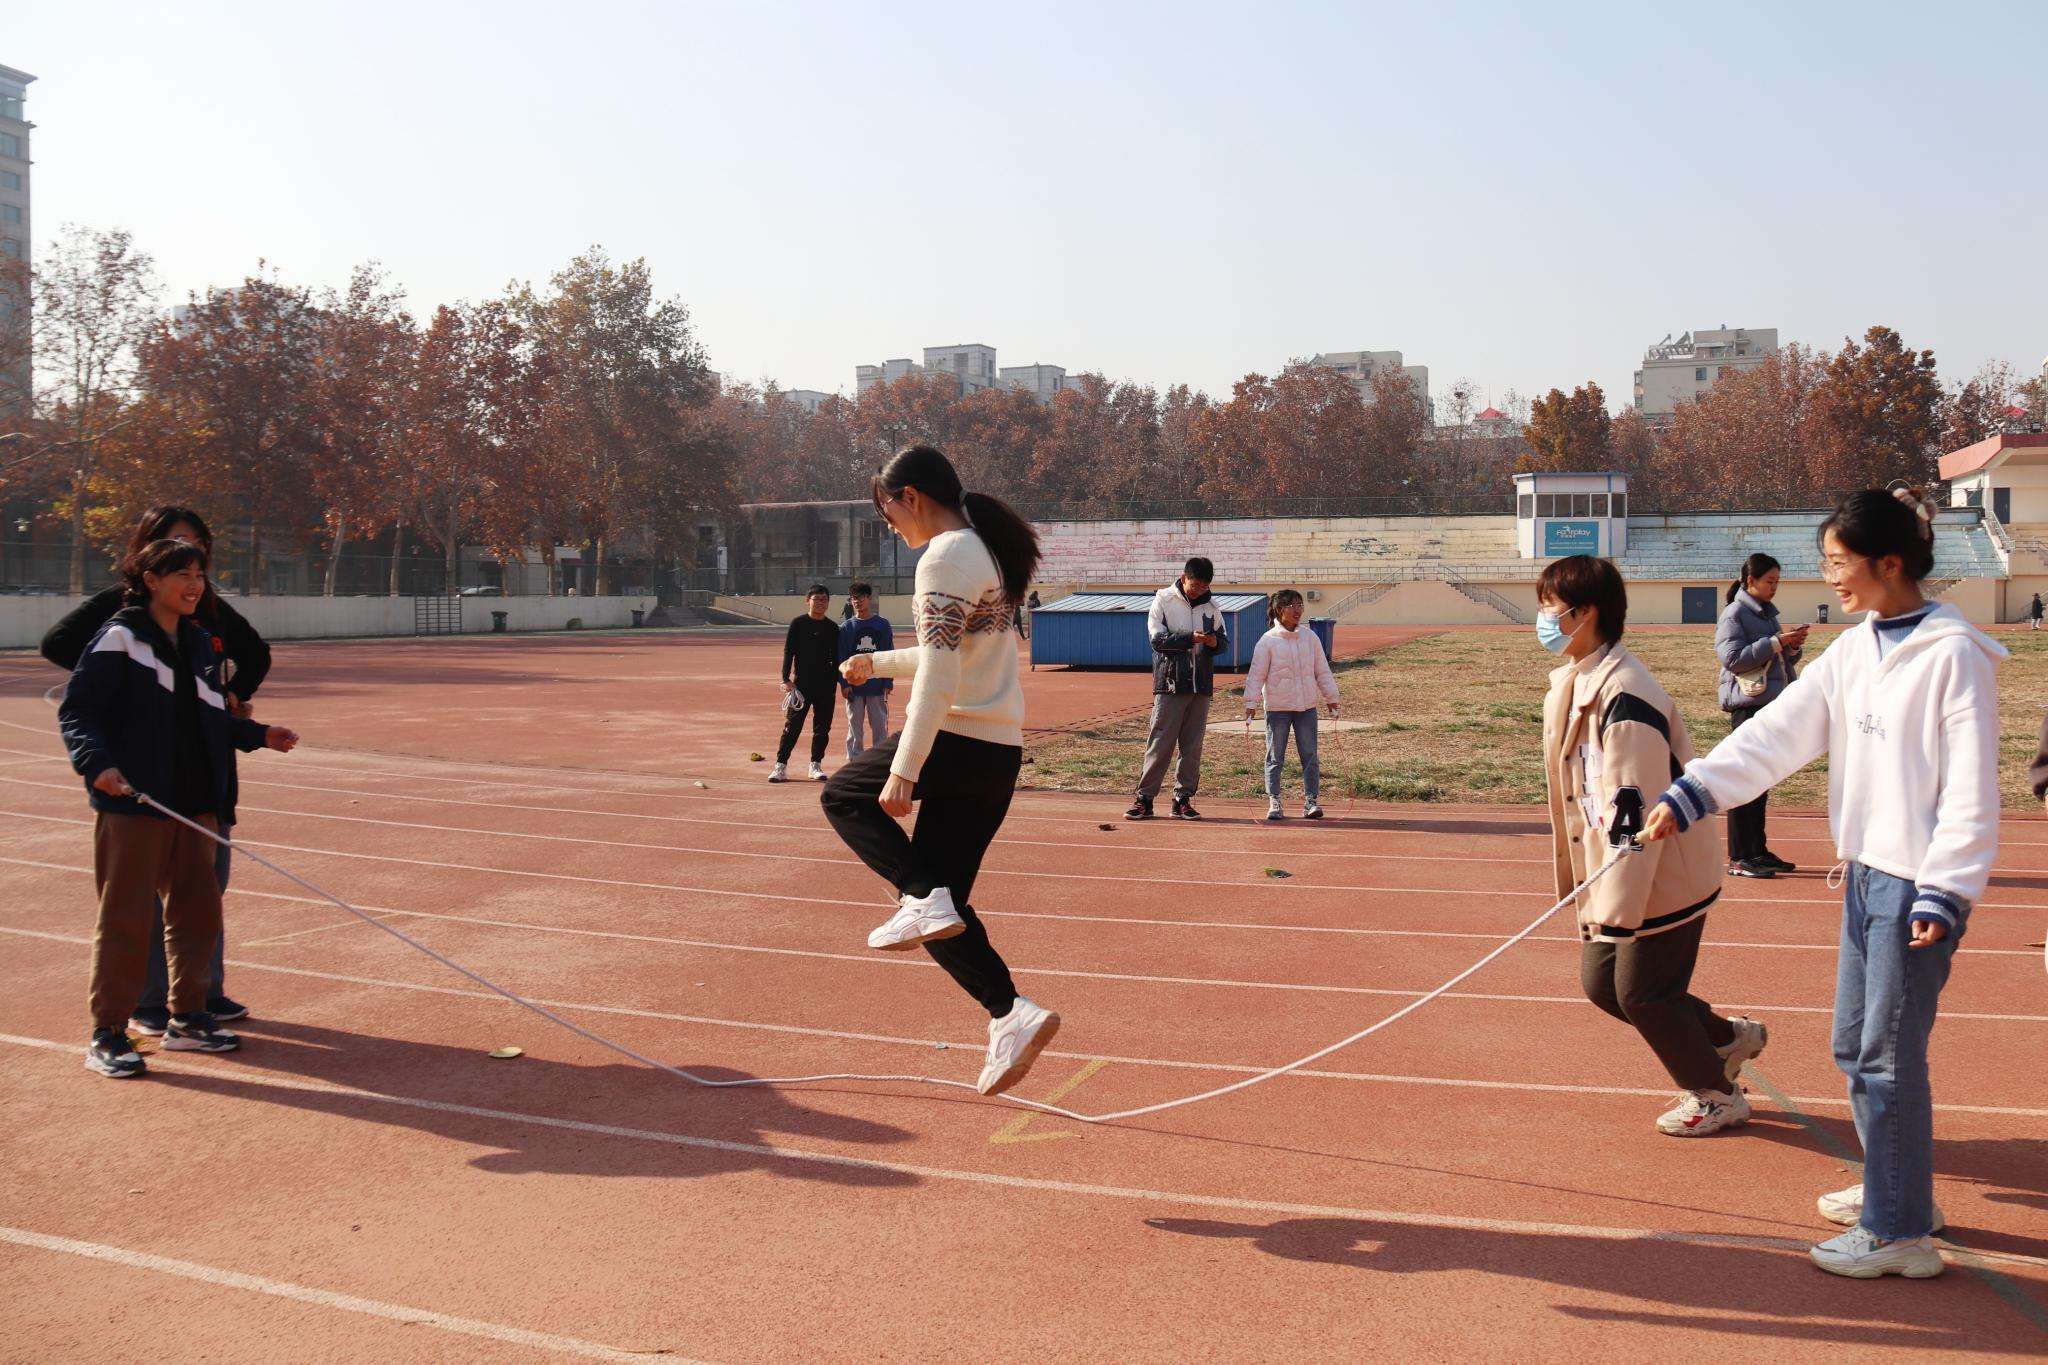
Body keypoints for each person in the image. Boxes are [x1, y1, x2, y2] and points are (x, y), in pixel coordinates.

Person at [1644, 488, 2002, 1280]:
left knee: (1886, 1053)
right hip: (1866, 872)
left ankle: (1899, 1228)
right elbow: (1778, 731)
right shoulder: (1859, 648)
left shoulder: (1953, 653)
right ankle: (1898, 1187)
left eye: (1840, 564)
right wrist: (1691, 793)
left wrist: (1946, 890)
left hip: (1917, 887)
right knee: (1854, 1041)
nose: (1830, 579)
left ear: (1891, 563)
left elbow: (1974, 790)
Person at [821, 444, 1059, 1097]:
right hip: (997, 753)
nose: (893, 529)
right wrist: (879, 665)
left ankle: (918, 896)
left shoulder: (943, 556)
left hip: (958, 741)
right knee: (945, 913)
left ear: (913, 498)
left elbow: (945, 674)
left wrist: (904, 767)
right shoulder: (979, 550)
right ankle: (1011, 1011)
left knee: (844, 795)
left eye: (890, 515)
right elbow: (947, 651)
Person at [1535, 555, 1766, 1139]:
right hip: (1616, 873)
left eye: (1548, 605)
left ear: (1583, 613)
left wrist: (1618, 908)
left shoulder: (1627, 696)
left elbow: (1632, 817)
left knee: (1640, 993)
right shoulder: (1579, 678)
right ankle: (1724, 1037)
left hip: (1659, 875)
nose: (1540, 617)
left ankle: (1717, 1092)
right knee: (1602, 985)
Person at [58, 539, 299, 1078]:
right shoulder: (121, 639)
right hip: (137, 804)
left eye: (198, 574)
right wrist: (96, 764)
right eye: (179, 575)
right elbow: (78, 712)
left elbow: (211, 718)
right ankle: (108, 1033)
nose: (193, 585)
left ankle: (188, 1018)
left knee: (198, 914)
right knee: (126, 917)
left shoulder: (199, 644)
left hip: (198, 804)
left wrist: (259, 734)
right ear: (150, 579)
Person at [1715, 553, 1807, 879]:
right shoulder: (1734, 614)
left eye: (1777, 582)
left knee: (1761, 781)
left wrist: (1791, 647)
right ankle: (1740, 856)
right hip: (1747, 707)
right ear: (1750, 581)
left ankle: (1757, 850)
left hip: (1769, 706)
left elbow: (1777, 662)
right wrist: (1774, 642)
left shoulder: (1767, 614)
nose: (1774, 588)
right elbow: (1732, 658)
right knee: (1744, 781)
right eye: (1770, 582)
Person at [1126, 556, 1228, 820]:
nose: (1199, 590)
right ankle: (1144, 798)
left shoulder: (1213, 607)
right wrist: (1188, 639)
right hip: (1171, 685)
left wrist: (1214, 642)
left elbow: (1224, 644)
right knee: (1160, 742)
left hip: (1201, 687)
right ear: (1184, 577)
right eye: (1195, 584)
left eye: (1204, 586)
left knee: (1192, 746)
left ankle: (1183, 798)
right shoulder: (1163, 600)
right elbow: (1156, 639)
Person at [1244, 589, 1339, 820]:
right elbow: (1256, 674)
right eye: (1292, 606)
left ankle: (1311, 802)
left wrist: (1331, 698)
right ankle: (1274, 800)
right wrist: (1251, 702)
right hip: (1278, 710)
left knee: (1310, 755)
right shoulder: (1267, 641)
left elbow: (1322, 671)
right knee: (1275, 756)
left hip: (1306, 707)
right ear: (1279, 610)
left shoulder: (1310, 637)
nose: (1297, 610)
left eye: (1300, 605)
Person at [771, 585, 837, 782]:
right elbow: (788, 651)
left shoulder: (833, 628)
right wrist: (785, 678)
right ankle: (780, 766)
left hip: (826, 686)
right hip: (801, 686)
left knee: (822, 728)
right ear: (807, 600)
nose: (820, 603)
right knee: (792, 726)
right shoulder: (798, 624)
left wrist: (836, 682)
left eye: (824, 599)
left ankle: (815, 765)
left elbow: (836, 657)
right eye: (816, 599)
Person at [838, 581, 894, 759]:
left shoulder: (882, 625)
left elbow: (888, 653)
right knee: (855, 726)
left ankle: (880, 760)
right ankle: (855, 759)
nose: (857, 601)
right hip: (854, 686)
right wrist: (844, 683)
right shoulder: (847, 627)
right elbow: (842, 657)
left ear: (869, 598)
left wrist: (888, 680)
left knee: (879, 726)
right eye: (854, 598)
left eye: (861, 597)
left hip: (877, 684)